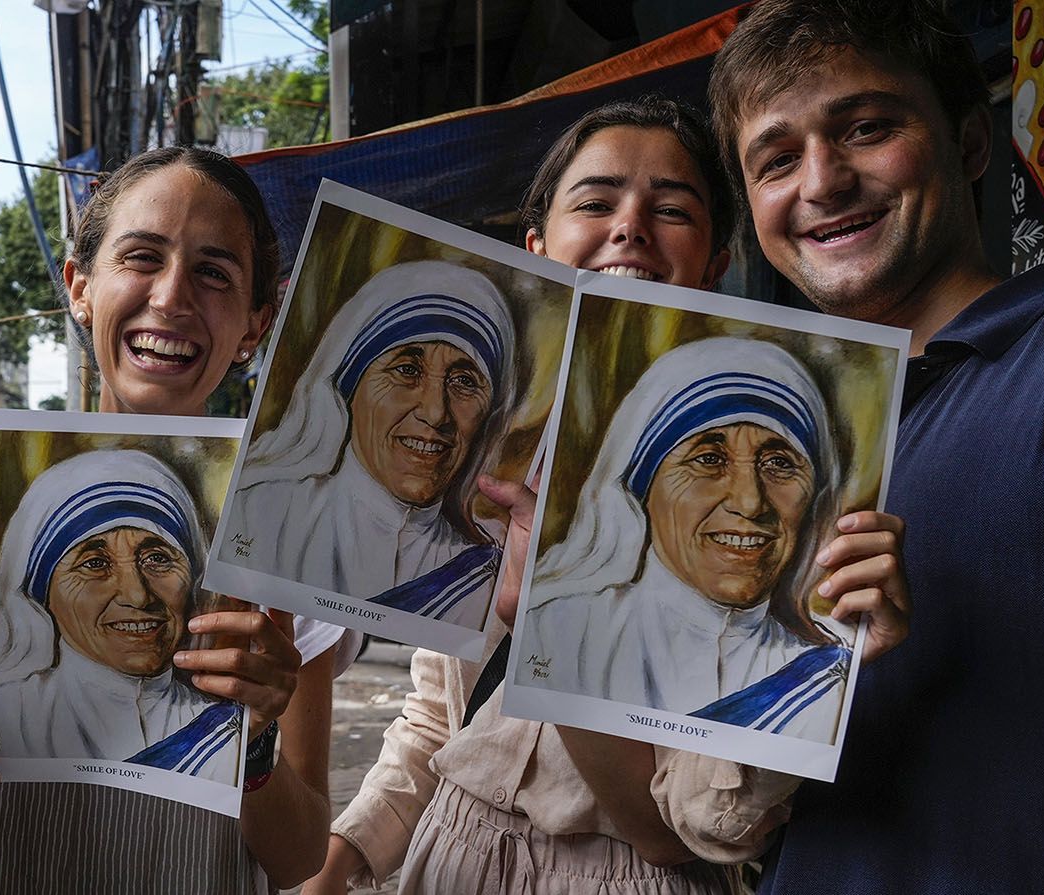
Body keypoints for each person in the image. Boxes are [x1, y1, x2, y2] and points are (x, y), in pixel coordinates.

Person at [306, 96, 909, 895]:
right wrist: (340, 860)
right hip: (444, 862)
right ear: (538, 246)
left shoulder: (757, 489)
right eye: (595, 202)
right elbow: (437, 720)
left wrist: (551, 622)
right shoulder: (471, 448)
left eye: (671, 208)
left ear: (715, 264)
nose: (630, 227)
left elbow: (686, 829)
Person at [708, 2, 1044, 891]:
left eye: (866, 128)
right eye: (776, 159)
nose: (821, 181)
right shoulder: (769, 452)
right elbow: (708, 826)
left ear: (972, 145)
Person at [0, 146, 360, 892]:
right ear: (80, 288)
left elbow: (302, 854)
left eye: (214, 272)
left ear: (255, 323)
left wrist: (257, 738)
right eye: (142, 257)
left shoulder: (287, 529)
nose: (172, 297)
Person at [520, 337, 852, 742]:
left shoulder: (833, 676)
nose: (749, 503)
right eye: (709, 459)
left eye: (780, 463)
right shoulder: (554, 632)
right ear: (641, 489)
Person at [221, 260, 515, 628]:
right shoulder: (262, 515)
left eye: (464, 381)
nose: (436, 413)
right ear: (348, 389)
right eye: (407, 370)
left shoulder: (487, 573)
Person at [0, 449, 242, 782]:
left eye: (157, 558)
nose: (137, 595)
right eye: (95, 564)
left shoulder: (229, 732)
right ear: (41, 595)